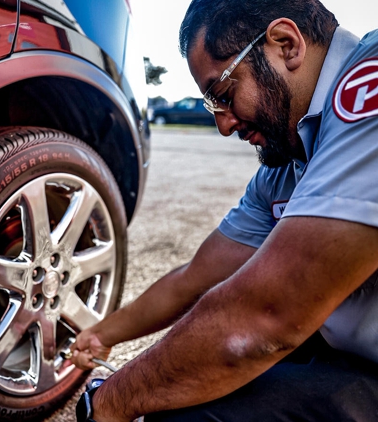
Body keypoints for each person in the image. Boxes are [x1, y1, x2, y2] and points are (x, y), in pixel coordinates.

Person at [72, 0, 378, 420]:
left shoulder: (370, 86)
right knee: (181, 384)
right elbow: (194, 280)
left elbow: (267, 316)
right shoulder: (287, 159)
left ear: (286, 44)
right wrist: (102, 334)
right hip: (351, 356)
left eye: (224, 94)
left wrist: (110, 402)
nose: (223, 124)